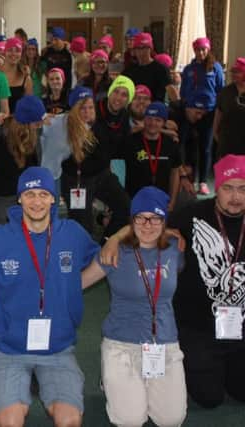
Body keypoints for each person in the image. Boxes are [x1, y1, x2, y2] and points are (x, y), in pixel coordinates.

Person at [0, 166, 99, 427]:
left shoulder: (72, 234)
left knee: (70, 421)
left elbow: (105, 257)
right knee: (10, 422)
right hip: (9, 348)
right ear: (19, 198)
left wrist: (74, 285)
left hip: (58, 347)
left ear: (54, 198)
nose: (37, 201)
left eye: (44, 194)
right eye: (30, 194)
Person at [83, 186, 187, 427]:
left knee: (171, 420)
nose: (148, 225)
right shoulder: (115, 252)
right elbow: (78, 283)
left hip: (164, 345)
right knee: (130, 420)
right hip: (122, 344)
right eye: (141, 218)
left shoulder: (175, 248)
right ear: (132, 220)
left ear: (164, 221)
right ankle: (110, 372)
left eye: (155, 218)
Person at [164, 154, 245, 409]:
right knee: (209, 398)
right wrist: (114, 238)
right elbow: (145, 228)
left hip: (240, 326)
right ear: (216, 188)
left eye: (243, 189)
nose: (235, 197)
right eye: (228, 188)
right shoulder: (191, 215)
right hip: (197, 325)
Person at [60, 86, 130, 238]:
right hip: (77, 181)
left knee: (125, 207)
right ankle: (83, 258)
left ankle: (107, 244)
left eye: (91, 107)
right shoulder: (62, 127)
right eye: (82, 108)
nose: (87, 112)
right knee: (82, 228)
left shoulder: (100, 125)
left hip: (102, 175)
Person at [0, 95, 44, 226]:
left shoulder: (34, 134)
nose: (40, 125)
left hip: (21, 195)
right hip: (0, 196)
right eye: (37, 122)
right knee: (3, 234)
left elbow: (34, 165)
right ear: (26, 122)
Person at [180, 37, 224, 193]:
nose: (201, 52)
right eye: (198, 49)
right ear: (194, 50)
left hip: (209, 113)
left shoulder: (216, 68)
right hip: (190, 113)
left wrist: (210, 109)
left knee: (205, 148)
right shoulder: (188, 69)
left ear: (208, 49)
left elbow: (220, 91)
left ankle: (203, 182)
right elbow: (183, 92)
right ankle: (187, 179)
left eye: (203, 49)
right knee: (187, 145)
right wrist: (188, 109)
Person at [122, 102, 181, 206]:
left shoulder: (171, 144)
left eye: (158, 120)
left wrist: (172, 201)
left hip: (161, 199)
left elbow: (175, 173)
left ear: (164, 123)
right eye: (149, 118)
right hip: (135, 199)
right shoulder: (130, 142)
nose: (152, 123)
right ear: (144, 120)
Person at [122, 33, 171, 102]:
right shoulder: (129, 69)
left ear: (150, 49)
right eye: (138, 48)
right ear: (134, 50)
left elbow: (170, 90)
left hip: (154, 109)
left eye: (145, 48)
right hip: (134, 108)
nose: (142, 52)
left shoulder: (161, 69)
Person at [213, 57, 245, 159]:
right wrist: (215, 131)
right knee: (227, 172)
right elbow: (219, 112)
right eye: (233, 72)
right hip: (227, 140)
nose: (234, 75)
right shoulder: (226, 91)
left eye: (238, 72)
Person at [3, 37, 33, 115]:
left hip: (17, 124)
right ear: (4, 52)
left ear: (21, 54)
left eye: (17, 51)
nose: (13, 54)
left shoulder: (26, 77)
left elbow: (28, 105)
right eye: (10, 50)